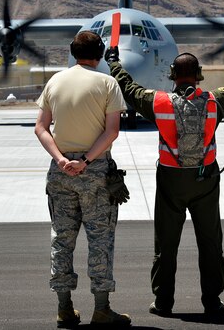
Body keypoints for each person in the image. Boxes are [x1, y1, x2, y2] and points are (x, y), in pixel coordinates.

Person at [105, 38, 224, 317]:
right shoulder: (215, 102)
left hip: (171, 181)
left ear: (172, 75)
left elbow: (128, 88)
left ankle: (163, 302)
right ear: (199, 76)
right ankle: (212, 302)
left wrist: (114, 61)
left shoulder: (159, 103)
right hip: (205, 180)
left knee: (166, 243)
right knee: (210, 242)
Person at [35, 31, 131, 328]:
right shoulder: (107, 83)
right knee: (100, 240)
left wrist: (62, 160)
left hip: (60, 173)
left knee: (61, 240)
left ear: (72, 52)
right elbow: (112, 131)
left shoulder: (55, 81)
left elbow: (41, 128)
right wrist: (86, 161)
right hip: (96, 171)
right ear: (100, 53)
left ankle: (64, 309)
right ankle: (101, 309)